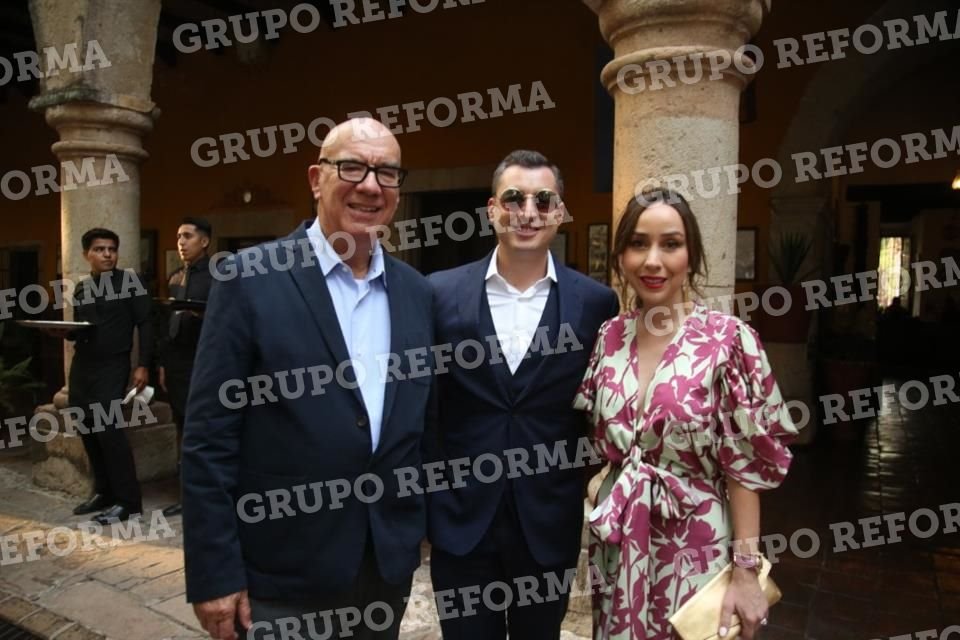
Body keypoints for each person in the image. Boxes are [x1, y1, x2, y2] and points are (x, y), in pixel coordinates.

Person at [181, 118, 435, 640]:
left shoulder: (417, 293)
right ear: (316, 179)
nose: (370, 185)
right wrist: (214, 574)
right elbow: (208, 440)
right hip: (279, 576)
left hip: (382, 570)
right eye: (352, 167)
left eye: (387, 173)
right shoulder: (248, 281)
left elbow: (416, 428)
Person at [573, 188, 798, 640]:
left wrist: (746, 571)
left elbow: (743, 470)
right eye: (638, 243)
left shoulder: (727, 340)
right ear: (620, 256)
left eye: (670, 244)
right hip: (618, 548)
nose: (652, 260)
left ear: (691, 255)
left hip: (695, 545)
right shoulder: (609, 337)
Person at [427, 150, 619, 639]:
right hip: (461, 522)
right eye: (513, 198)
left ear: (559, 211)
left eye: (542, 199)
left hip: (547, 522)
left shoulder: (596, 302)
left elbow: (599, 408)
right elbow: (426, 406)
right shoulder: (440, 293)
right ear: (493, 208)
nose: (527, 211)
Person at [67, 228, 152, 524]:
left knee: (109, 430)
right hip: (82, 366)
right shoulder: (81, 288)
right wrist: (62, 332)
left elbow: (146, 324)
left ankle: (128, 501)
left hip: (113, 366)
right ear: (86, 254)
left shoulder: (131, 282)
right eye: (100, 249)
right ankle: (103, 492)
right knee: (87, 427)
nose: (107, 254)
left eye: (111, 249)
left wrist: (142, 364)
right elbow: (82, 328)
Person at [158, 217, 214, 518]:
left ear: (204, 242)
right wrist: (164, 365)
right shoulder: (175, 276)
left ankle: (204, 495)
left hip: (203, 360)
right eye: (178, 236)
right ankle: (184, 495)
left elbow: (225, 321)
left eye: (188, 236)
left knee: (202, 429)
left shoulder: (218, 276)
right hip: (177, 362)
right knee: (181, 426)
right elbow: (168, 324)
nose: (181, 242)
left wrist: (201, 315)